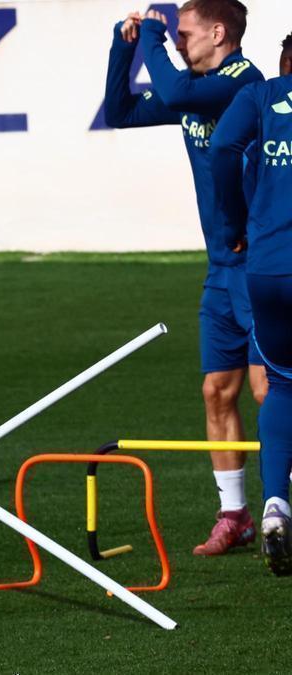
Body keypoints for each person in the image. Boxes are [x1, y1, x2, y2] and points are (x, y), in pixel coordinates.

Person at [104, 0, 267, 556]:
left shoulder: (244, 84)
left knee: (271, 391)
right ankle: (235, 515)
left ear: (218, 33)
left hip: (262, 261)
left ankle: (281, 508)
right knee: (216, 391)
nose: (176, 42)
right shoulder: (196, 87)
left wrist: (150, 28)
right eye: (173, 34)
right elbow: (120, 111)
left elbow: (172, 93)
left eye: (184, 33)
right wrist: (124, 45)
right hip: (221, 268)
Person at [209, 30, 292, 575]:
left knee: (284, 381)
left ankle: (274, 506)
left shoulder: (261, 96)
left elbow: (221, 149)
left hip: (270, 265)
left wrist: (234, 221)